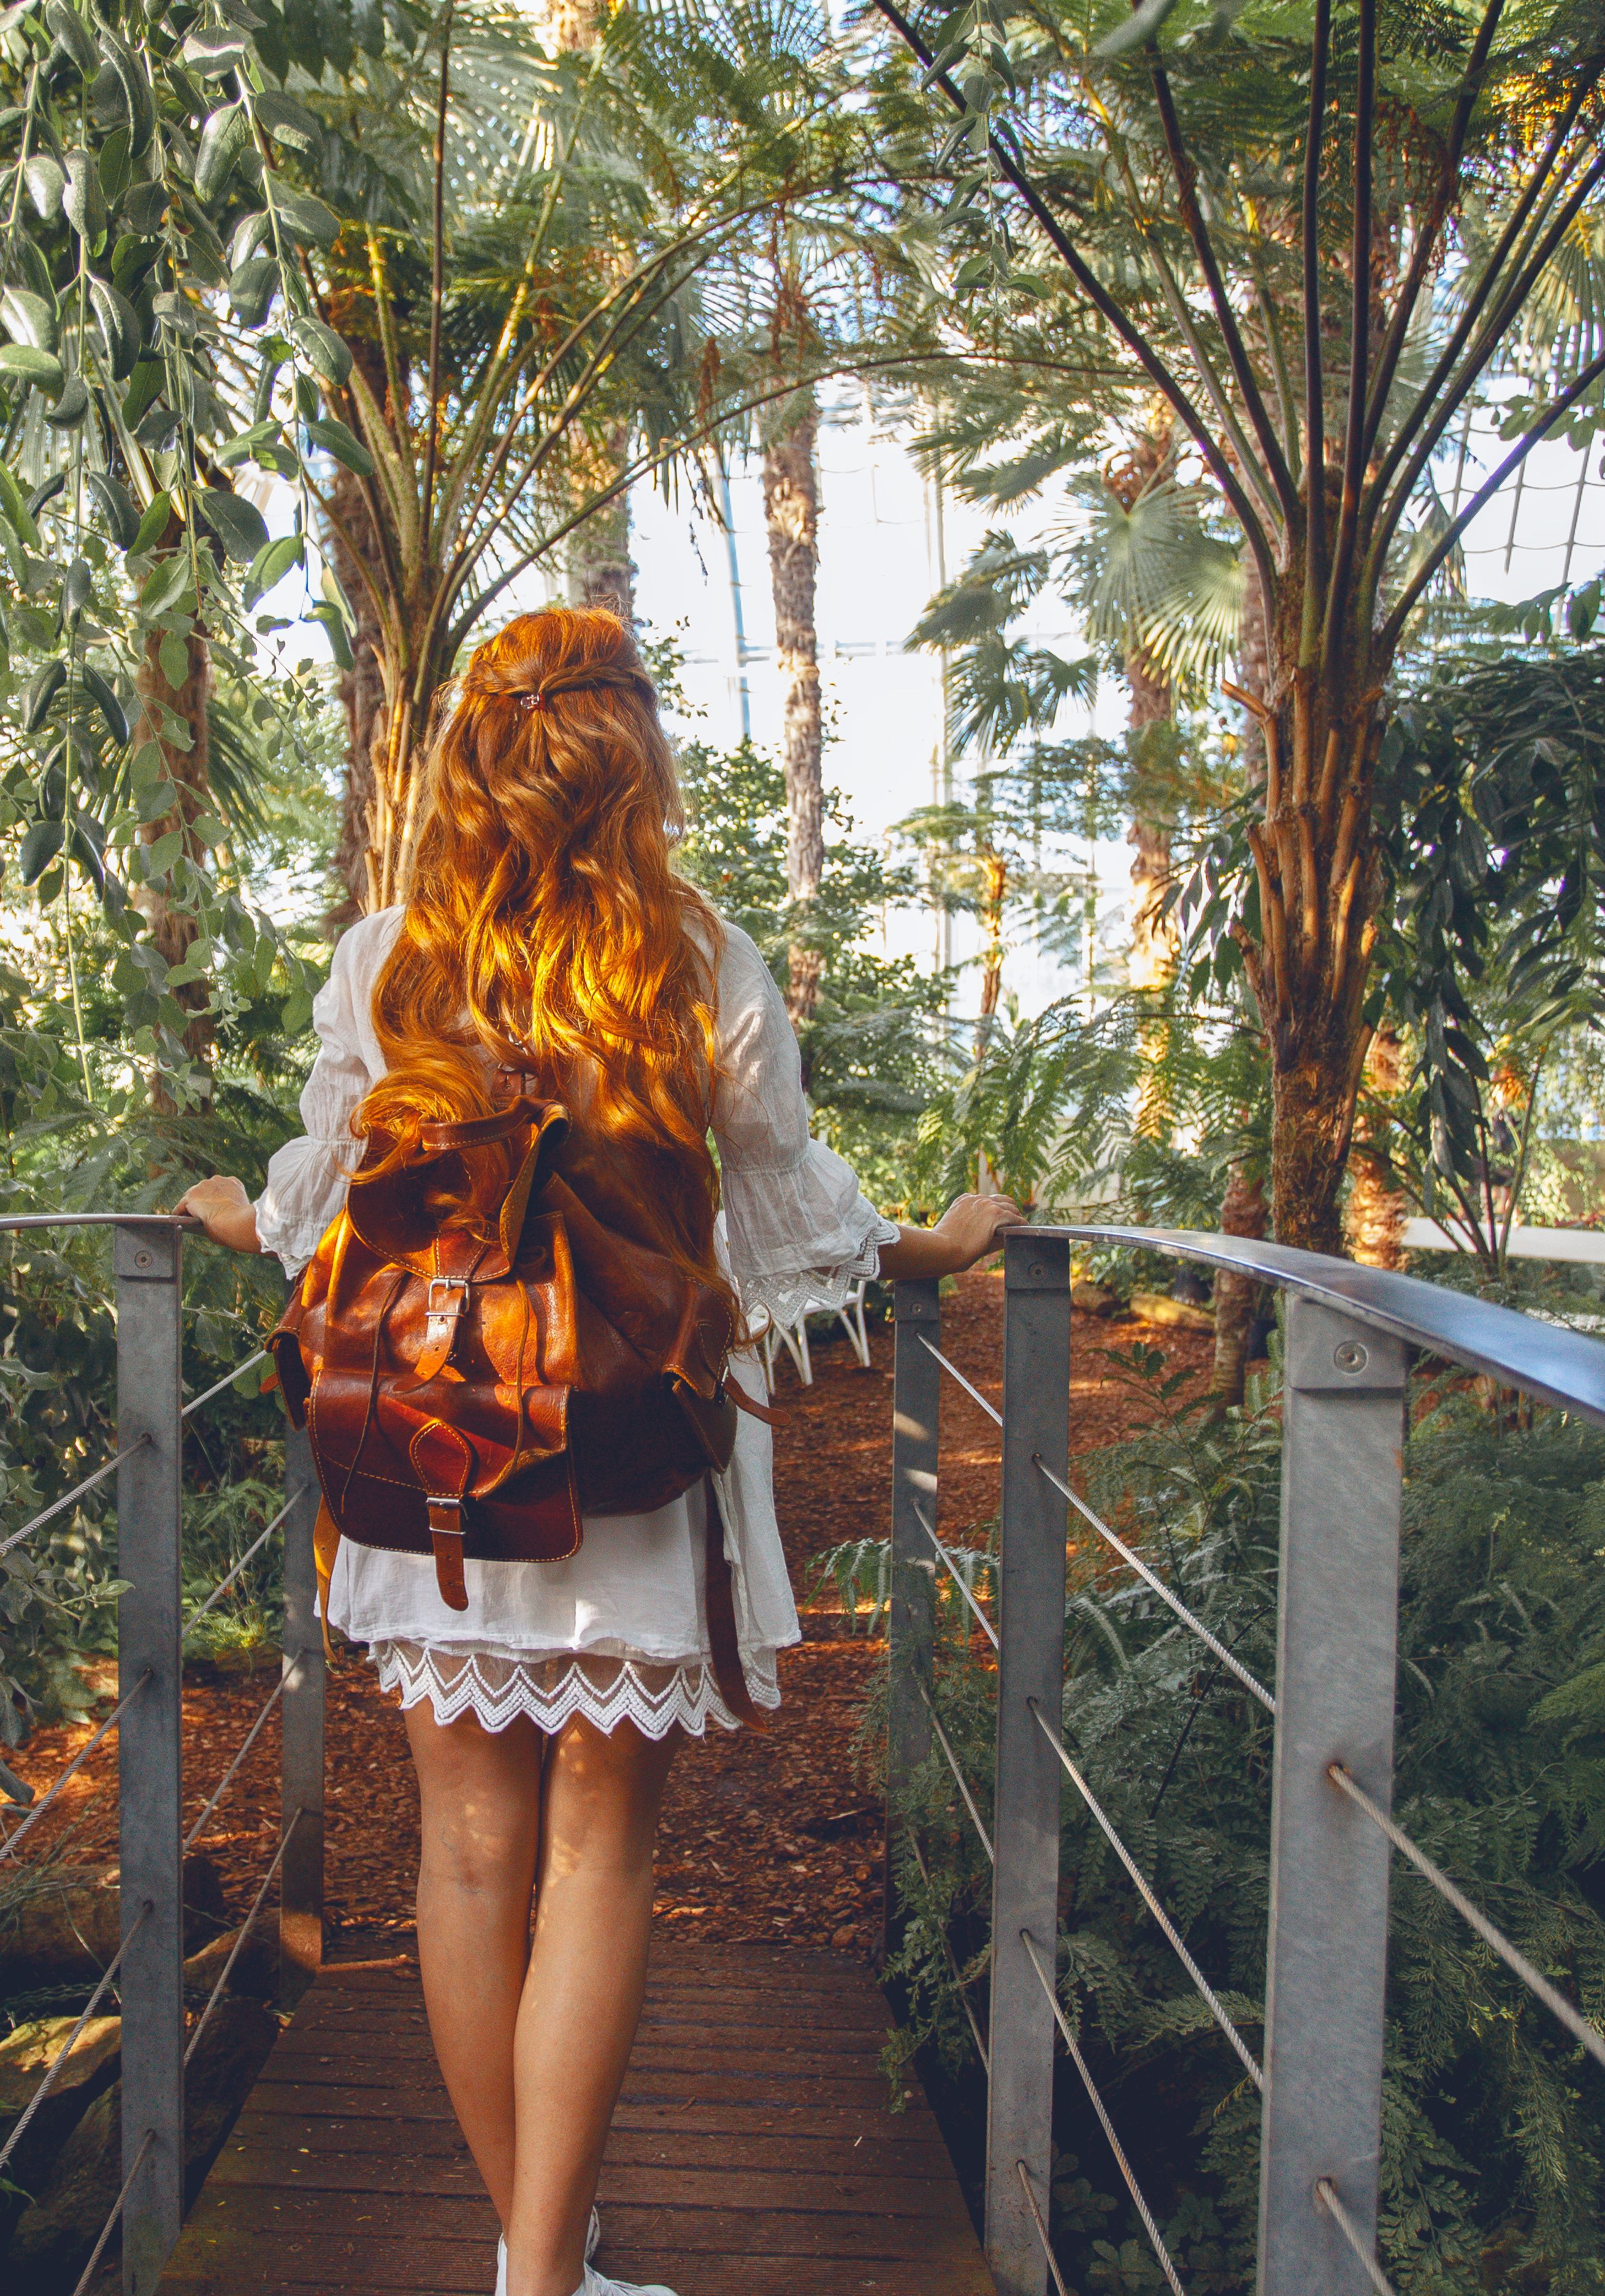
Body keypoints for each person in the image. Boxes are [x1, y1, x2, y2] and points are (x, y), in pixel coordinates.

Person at [175, 606, 1017, 2296]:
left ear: (469, 766)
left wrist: (240, 1216)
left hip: (437, 1447)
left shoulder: (388, 958)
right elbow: (780, 1201)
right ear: (634, 760)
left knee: (464, 1853)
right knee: (594, 1853)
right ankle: (547, 2274)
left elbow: (330, 1194)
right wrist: (929, 1246)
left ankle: (535, 2263)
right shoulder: (692, 956)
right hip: (626, 1448)